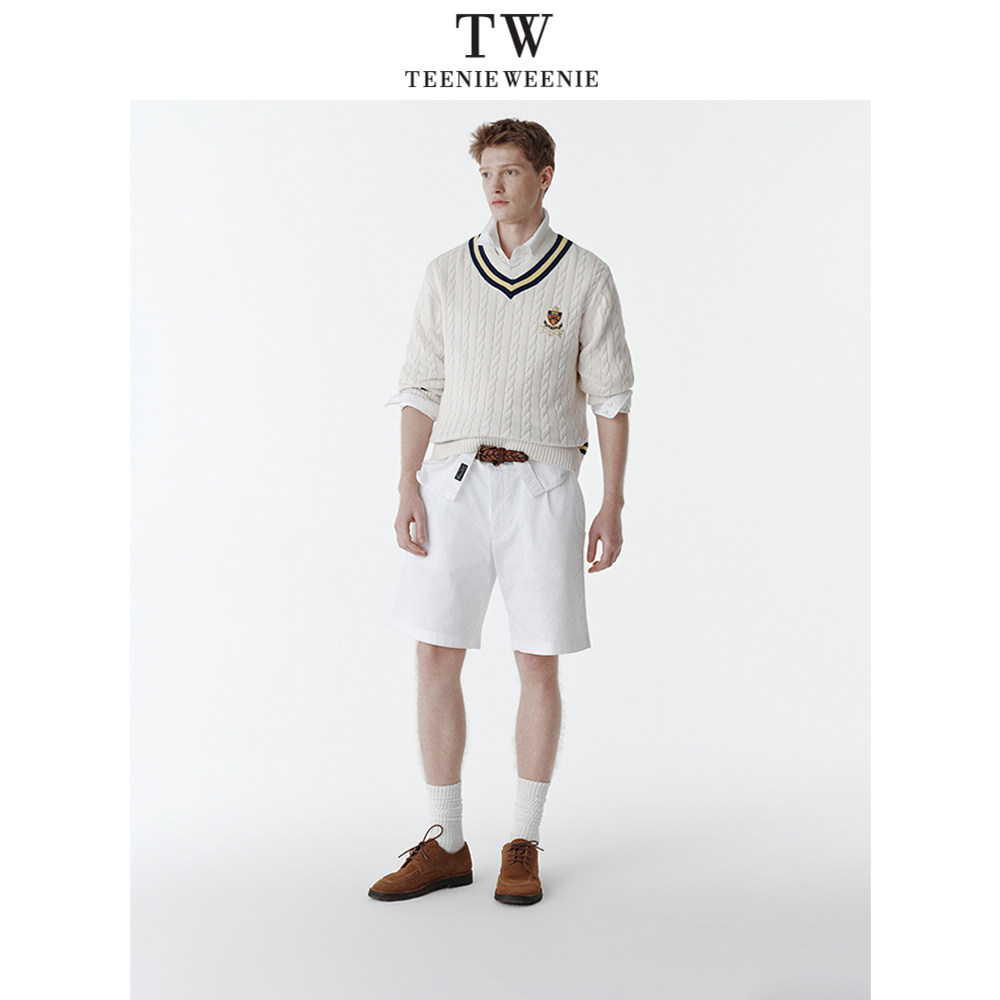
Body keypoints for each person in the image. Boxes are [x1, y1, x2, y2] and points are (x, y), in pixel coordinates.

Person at [369, 118, 633, 906]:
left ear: (544, 177)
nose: (495, 186)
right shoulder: (447, 273)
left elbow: (612, 399)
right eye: (486, 172)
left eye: (511, 171)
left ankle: (523, 841)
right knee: (434, 654)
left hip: (542, 486)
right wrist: (406, 484)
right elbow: (421, 386)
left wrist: (612, 501)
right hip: (452, 484)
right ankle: (446, 841)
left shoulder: (585, 276)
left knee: (537, 659)